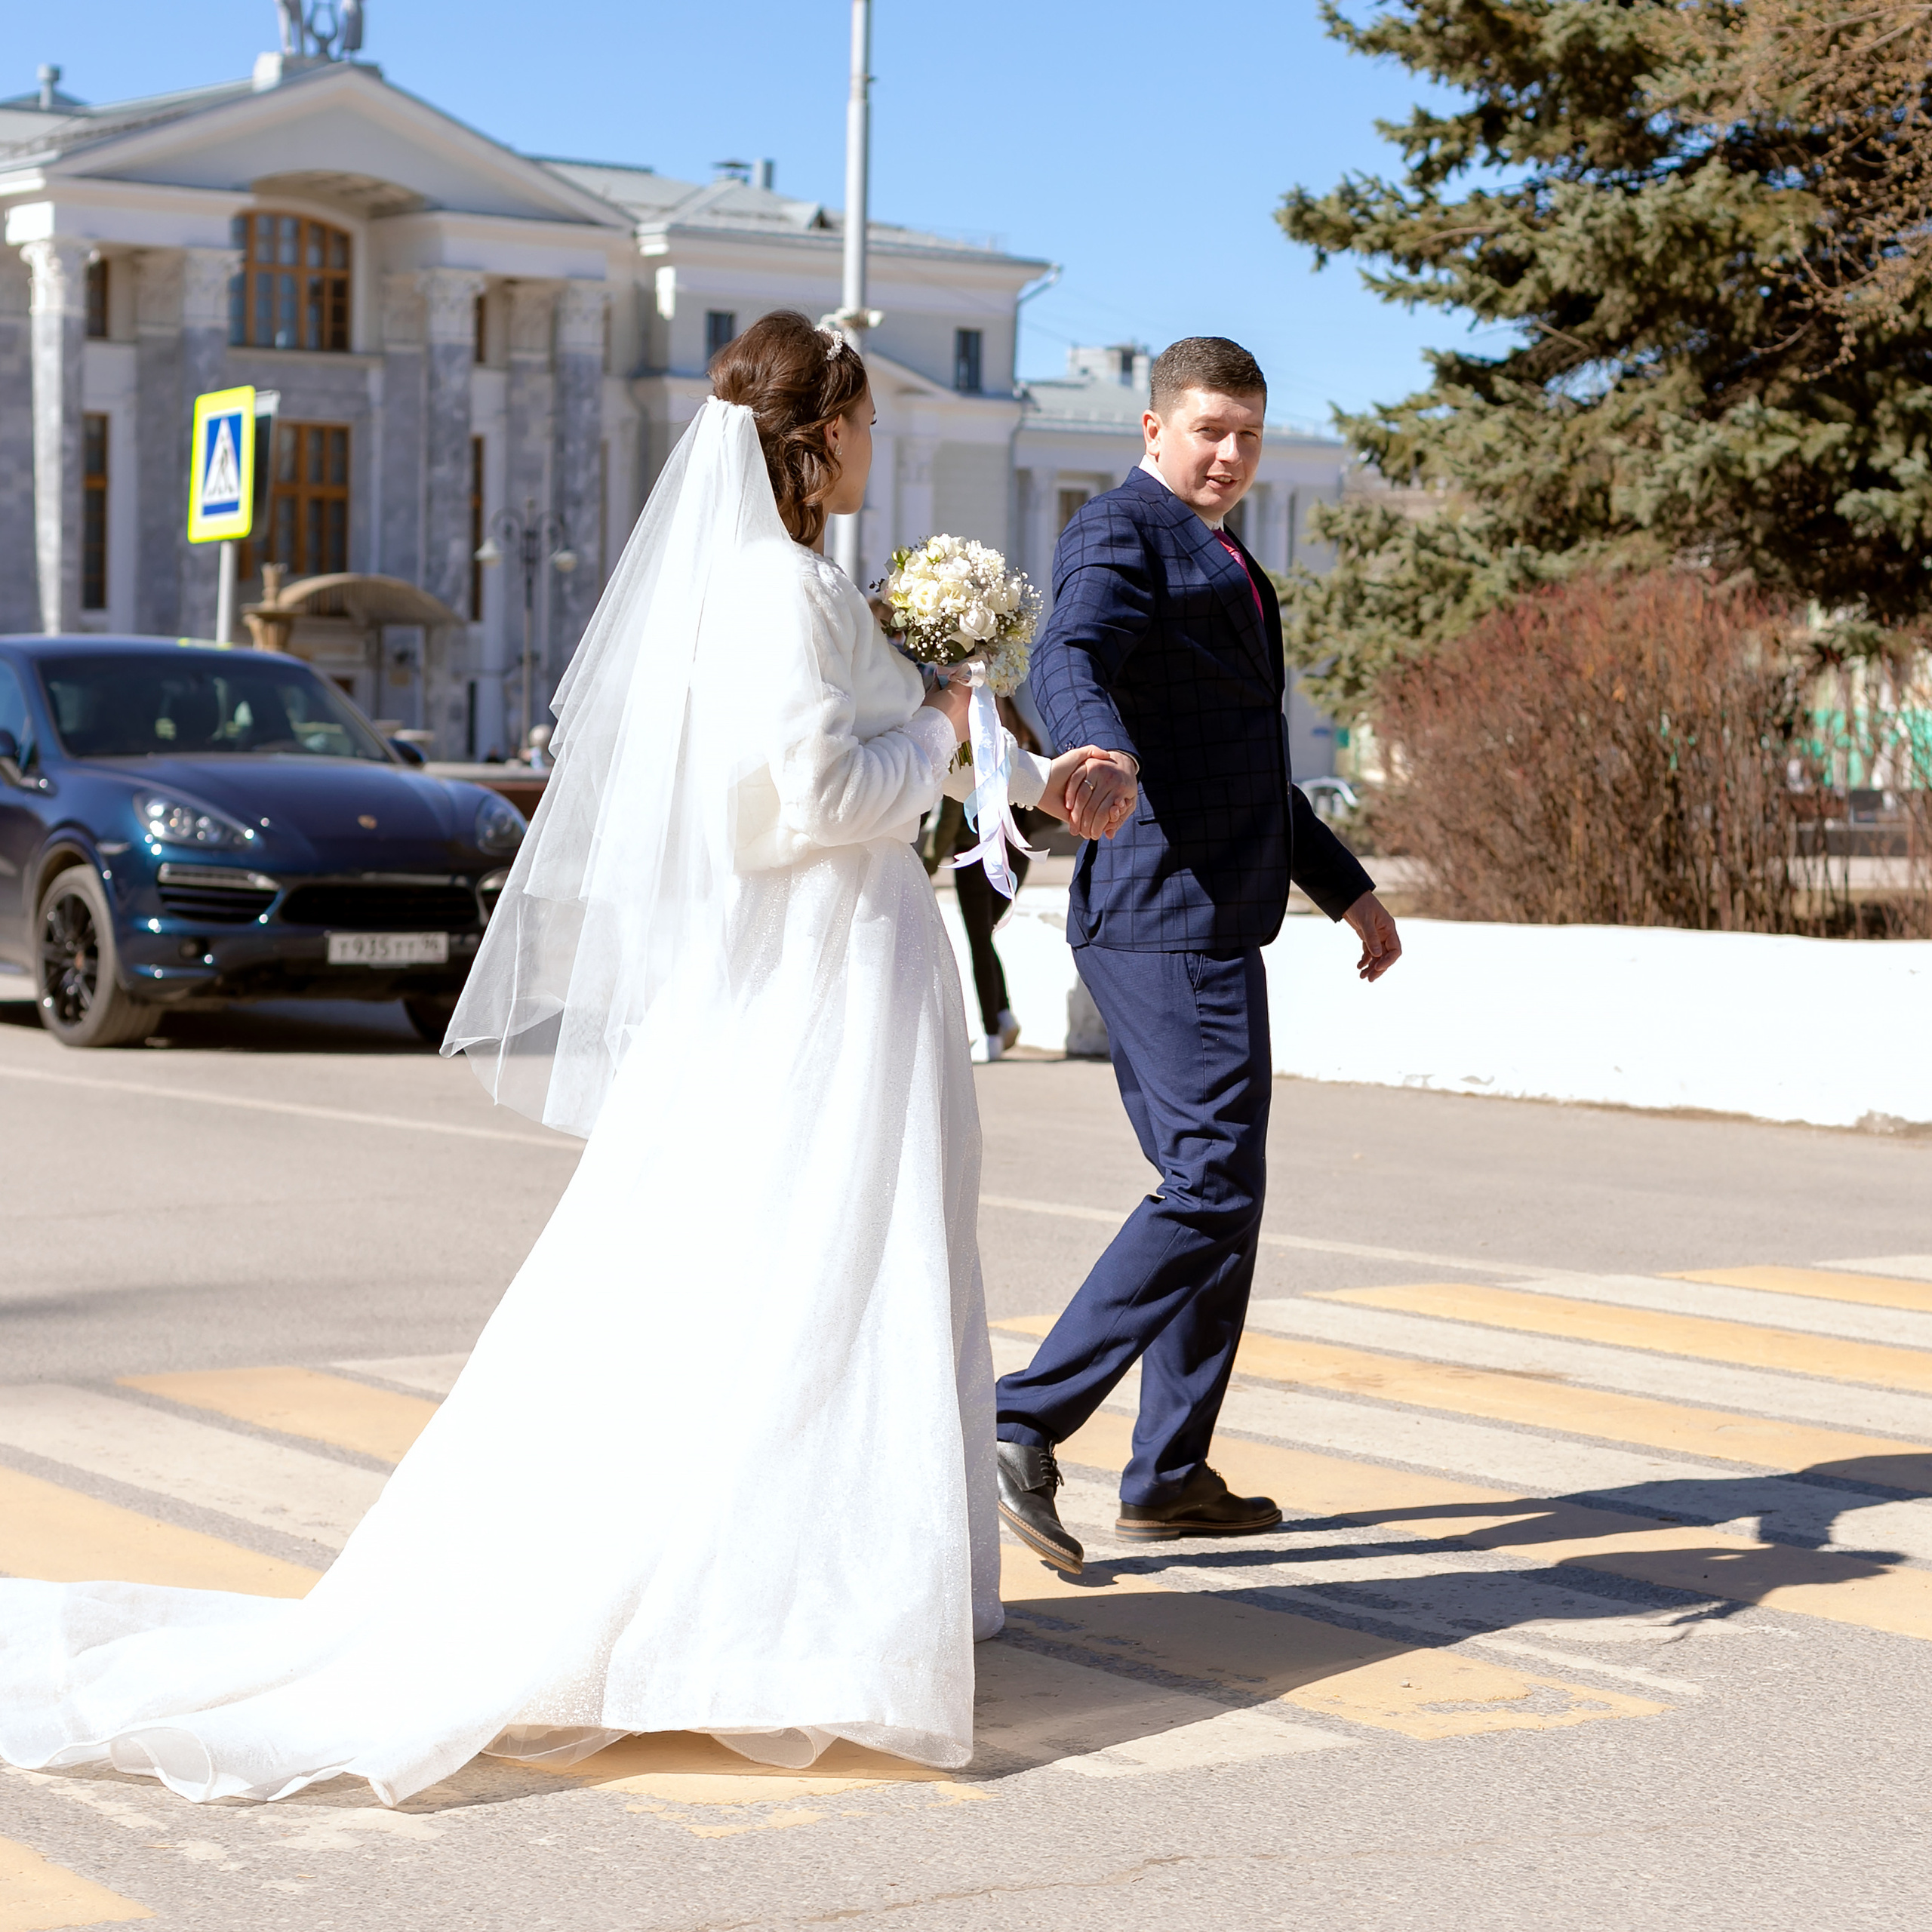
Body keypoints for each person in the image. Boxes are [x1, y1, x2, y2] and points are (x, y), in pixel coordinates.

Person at [0, 311, 1111, 1805]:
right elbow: (795, 801)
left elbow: (857, 753)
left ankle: (814, 1591)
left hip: (836, 979)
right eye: (855, 418)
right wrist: (933, 724)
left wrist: (1024, 771)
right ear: (813, 434)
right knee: (814, 1275)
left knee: (821, 1276)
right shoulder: (777, 591)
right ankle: (770, 1616)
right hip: (816, 990)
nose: (869, 443)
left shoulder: (791, 584)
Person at [993, 337, 1403, 1577]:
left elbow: (1250, 766)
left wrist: (1348, 890)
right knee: (1212, 1181)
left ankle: (1168, 1473)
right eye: (1210, 429)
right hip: (1160, 905)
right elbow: (1068, 656)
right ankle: (1018, 1420)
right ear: (1153, 428)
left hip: (1217, 908)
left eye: (1249, 436)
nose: (1230, 454)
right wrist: (1095, 747)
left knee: (1224, 1191)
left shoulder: (1227, 555)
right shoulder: (1123, 532)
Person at [921, 695, 1049, 1058]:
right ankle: (1003, 1015)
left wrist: (928, 865)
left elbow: (949, 815)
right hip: (1017, 853)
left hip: (975, 854)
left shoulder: (972, 743)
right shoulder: (1023, 737)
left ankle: (992, 1032)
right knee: (986, 936)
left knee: (979, 939)